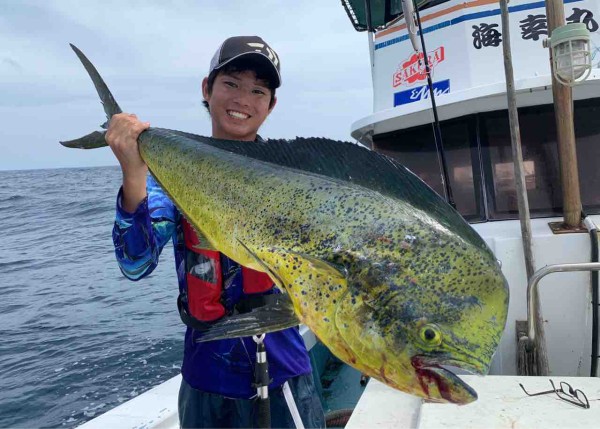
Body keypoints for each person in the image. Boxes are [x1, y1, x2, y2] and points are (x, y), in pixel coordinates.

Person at [106, 36, 326, 429]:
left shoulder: (291, 181)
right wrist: (133, 171)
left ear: (270, 105)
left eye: (258, 90)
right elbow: (135, 263)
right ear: (207, 89)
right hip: (204, 379)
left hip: (283, 373)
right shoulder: (170, 178)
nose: (243, 99)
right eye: (231, 84)